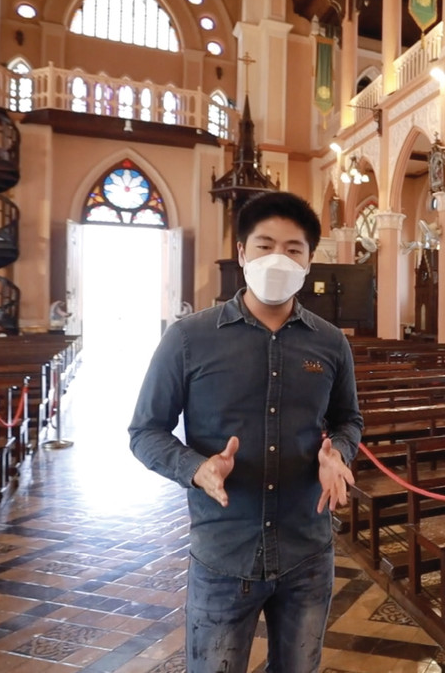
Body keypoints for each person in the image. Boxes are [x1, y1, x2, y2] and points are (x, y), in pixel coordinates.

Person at [129, 191, 363, 673]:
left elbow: (348, 419)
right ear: (241, 253)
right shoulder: (189, 338)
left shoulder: (330, 342)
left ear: (309, 261)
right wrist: (197, 469)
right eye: (264, 245)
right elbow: (145, 431)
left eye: (293, 249)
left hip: (306, 550)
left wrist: (338, 452)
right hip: (224, 552)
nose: (279, 258)